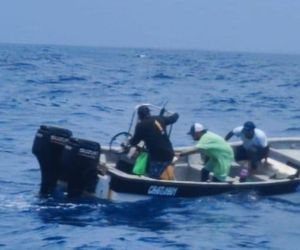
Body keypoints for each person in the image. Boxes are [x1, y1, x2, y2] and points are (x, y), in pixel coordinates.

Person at [128, 105, 179, 179]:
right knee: (166, 172)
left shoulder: (140, 126)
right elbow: (173, 119)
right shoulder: (159, 119)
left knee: (154, 177)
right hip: (169, 153)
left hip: (157, 156)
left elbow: (134, 142)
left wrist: (129, 141)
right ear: (149, 113)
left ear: (139, 116)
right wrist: (176, 114)